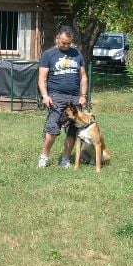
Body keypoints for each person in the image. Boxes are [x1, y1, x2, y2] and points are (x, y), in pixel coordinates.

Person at [37, 26, 88, 168]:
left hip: (74, 97)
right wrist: (45, 96)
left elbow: (83, 76)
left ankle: (65, 158)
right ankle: (44, 156)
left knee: (72, 130)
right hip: (56, 96)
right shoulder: (49, 54)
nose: (66, 46)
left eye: (68, 43)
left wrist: (83, 95)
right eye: (63, 42)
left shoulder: (77, 53)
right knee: (52, 128)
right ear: (57, 38)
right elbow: (42, 78)